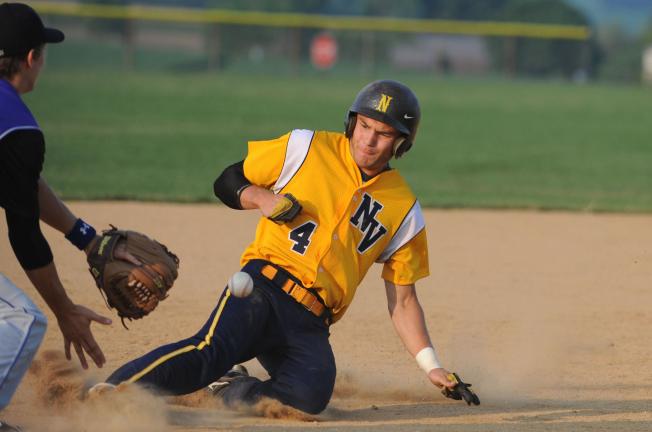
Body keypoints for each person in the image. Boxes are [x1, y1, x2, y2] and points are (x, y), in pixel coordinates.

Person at [103, 79, 457, 414]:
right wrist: (260, 198)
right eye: (364, 126)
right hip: (260, 289)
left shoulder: (404, 208)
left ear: (402, 143)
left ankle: (228, 388)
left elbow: (404, 300)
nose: (368, 140)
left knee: (309, 395)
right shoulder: (306, 147)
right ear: (351, 123)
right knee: (208, 352)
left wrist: (432, 366)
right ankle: (111, 391)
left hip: (310, 321)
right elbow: (228, 180)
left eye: (383, 134)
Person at [0, 3, 135, 430]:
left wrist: (86, 238)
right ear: (30, 59)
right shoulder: (17, 125)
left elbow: (21, 184)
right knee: (24, 319)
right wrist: (63, 310)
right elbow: (24, 235)